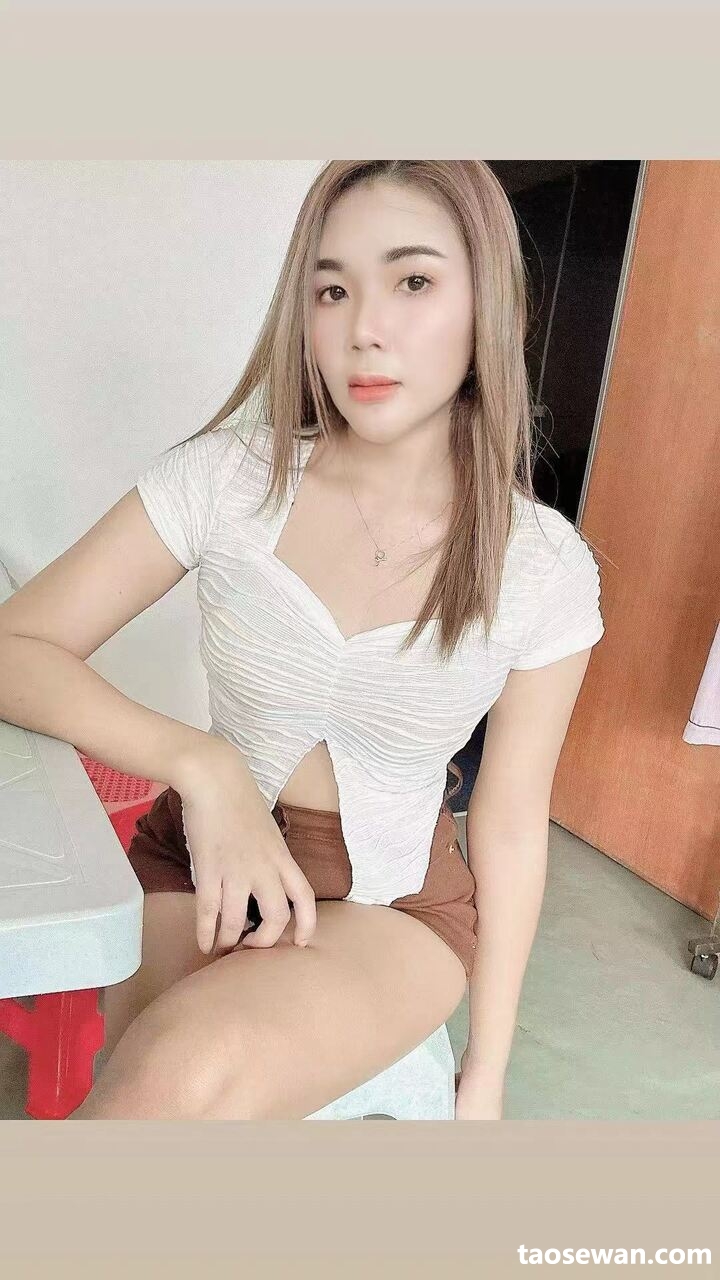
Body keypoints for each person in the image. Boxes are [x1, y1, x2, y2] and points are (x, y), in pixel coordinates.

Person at [0, 161, 604, 1120]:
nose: (364, 326)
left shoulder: (543, 567)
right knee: (160, 1093)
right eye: (332, 290)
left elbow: (510, 820)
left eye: (413, 280)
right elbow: (16, 648)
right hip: (202, 860)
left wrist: (485, 1075)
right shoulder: (226, 480)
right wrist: (204, 766)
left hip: (392, 904)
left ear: (487, 303)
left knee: (192, 1064)